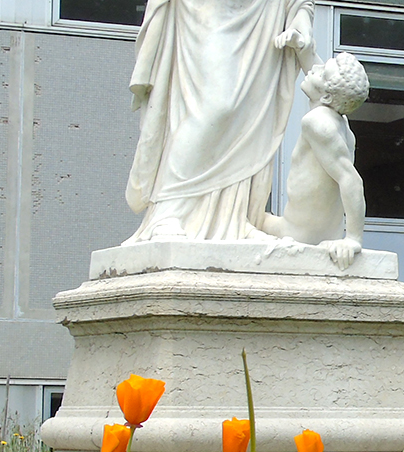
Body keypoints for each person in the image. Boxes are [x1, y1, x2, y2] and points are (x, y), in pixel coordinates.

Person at [125, 0, 317, 242]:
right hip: (208, 7)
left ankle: (234, 220)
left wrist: (300, 17)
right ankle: (168, 210)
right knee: (215, 107)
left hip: (266, 9)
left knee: (249, 111)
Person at [254, 53, 369, 268]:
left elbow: (351, 180)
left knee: (235, 216)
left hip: (297, 232)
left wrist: (353, 239)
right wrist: (301, 47)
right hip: (315, 230)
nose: (314, 68)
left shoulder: (317, 122)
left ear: (326, 96)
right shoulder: (339, 119)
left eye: (322, 72)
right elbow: (326, 78)